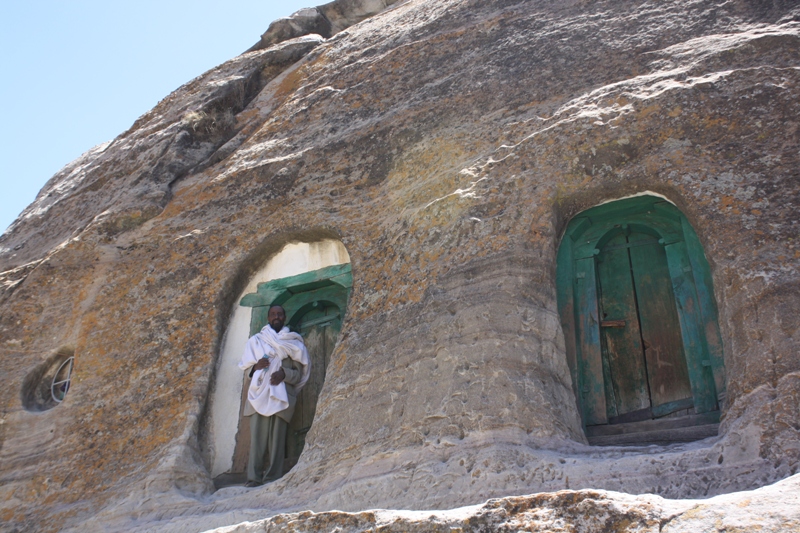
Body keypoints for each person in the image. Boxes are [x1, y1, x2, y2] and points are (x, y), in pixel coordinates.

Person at [238, 305, 310, 487]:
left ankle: (273, 478)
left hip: (281, 397)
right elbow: (245, 369)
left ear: (284, 317)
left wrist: (284, 374)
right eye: (273, 314)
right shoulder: (256, 342)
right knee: (258, 440)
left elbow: (299, 374)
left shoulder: (293, 344)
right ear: (268, 318)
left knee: (277, 441)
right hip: (258, 397)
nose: (276, 317)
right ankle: (254, 478)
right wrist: (256, 367)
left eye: (279, 314)